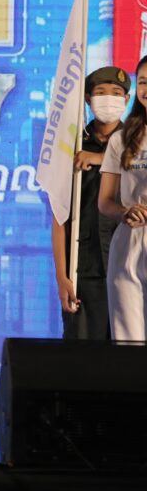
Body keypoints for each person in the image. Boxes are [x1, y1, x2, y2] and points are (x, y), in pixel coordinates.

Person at [51, 66, 129, 340]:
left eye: (116, 93)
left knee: (129, 354)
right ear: (88, 98)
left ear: (127, 99)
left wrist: (99, 159)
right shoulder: (70, 146)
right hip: (84, 267)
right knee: (83, 355)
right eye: (101, 92)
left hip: (130, 264)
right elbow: (59, 217)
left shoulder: (138, 142)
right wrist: (62, 277)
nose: (109, 99)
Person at [99, 56, 147, 341]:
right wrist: (124, 212)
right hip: (129, 244)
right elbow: (105, 201)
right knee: (129, 343)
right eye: (143, 82)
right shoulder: (121, 138)